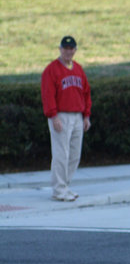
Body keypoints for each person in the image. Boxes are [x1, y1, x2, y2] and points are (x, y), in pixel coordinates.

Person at [41, 35, 91, 201]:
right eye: (65, 48)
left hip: (77, 116)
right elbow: (48, 95)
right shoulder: (51, 70)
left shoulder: (78, 69)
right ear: (60, 49)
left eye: (71, 49)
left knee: (74, 155)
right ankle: (58, 190)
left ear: (75, 50)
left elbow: (85, 93)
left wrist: (86, 116)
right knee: (61, 154)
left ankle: (65, 186)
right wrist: (53, 115)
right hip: (60, 115)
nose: (68, 51)